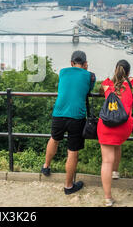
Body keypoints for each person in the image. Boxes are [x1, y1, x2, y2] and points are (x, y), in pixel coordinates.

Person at [41, 50, 96, 195]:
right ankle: (68, 186)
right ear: (85, 64)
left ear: (71, 63)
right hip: (76, 116)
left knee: (54, 138)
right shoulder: (90, 76)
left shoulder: (63, 72)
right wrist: (86, 70)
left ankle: (46, 166)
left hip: (59, 112)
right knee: (72, 152)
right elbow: (88, 90)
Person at [98, 60, 133, 206]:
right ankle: (115, 172)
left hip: (106, 125)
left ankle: (108, 198)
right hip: (124, 126)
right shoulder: (132, 83)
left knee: (106, 161)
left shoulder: (106, 83)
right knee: (117, 143)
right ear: (128, 72)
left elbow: (100, 90)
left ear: (115, 70)